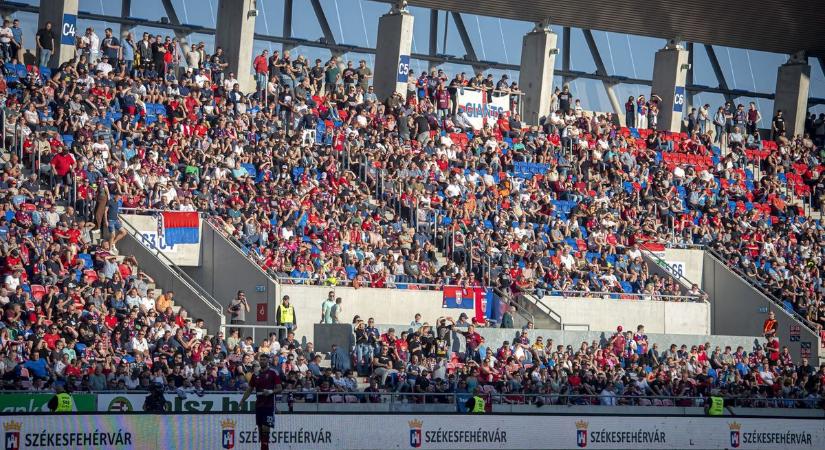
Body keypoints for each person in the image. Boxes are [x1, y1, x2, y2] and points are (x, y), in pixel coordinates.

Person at [241, 353, 283, 450]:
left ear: (268, 361)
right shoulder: (255, 374)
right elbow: (250, 389)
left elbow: (280, 388)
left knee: (265, 428)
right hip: (259, 404)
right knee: (261, 430)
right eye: (261, 359)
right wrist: (243, 400)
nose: (262, 361)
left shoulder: (273, 372)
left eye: (264, 359)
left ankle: (264, 447)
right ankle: (264, 447)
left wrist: (271, 391)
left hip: (269, 405)